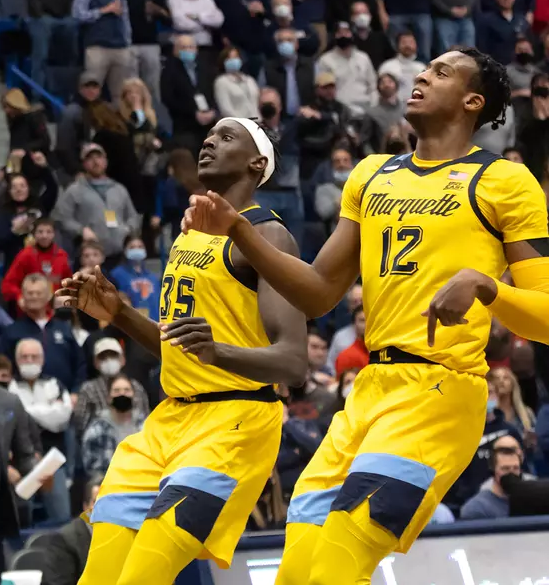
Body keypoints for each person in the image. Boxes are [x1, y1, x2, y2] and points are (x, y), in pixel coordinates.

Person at [182, 48, 549, 585]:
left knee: (338, 559)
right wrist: (241, 230)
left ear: (473, 101)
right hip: (368, 393)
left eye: (441, 73)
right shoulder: (371, 175)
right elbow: (318, 294)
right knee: (297, 572)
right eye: (424, 69)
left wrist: (486, 286)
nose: (422, 75)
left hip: (440, 394)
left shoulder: (504, 181)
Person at [57, 118, 306, 584]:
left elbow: (294, 362)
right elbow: (182, 347)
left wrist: (219, 353)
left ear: (257, 164)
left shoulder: (268, 236)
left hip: (233, 424)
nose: (209, 140)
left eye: (226, 136)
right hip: (167, 422)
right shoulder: (189, 233)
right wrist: (121, 313)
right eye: (208, 134)